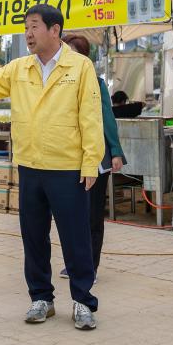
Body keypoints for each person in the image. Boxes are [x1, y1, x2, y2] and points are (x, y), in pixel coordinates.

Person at [0, 4, 104, 330]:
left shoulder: (80, 67)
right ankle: (41, 298)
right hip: (29, 165)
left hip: (67, 167)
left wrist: (91, 162)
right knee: (33, 238)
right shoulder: (20, 68)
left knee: (75, 238)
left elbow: (90, 117)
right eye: (26, 27)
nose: (28, 33)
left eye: (35, 26)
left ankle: (82, 301)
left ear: (54, 30)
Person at [58, 34, 126, 283]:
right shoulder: (60, 81)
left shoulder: (95, 83)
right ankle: (74, 263)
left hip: (95, 159)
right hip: (69, 160)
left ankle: (90, 267)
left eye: (71, 52)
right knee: (72, 215)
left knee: (92, 216)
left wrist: (116, 151)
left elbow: (106, 117)